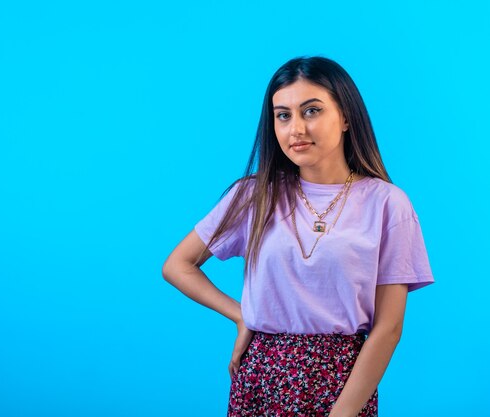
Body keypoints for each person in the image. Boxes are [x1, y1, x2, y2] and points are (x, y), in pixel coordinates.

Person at [161, 56, 435, 417]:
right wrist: (242, 315)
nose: (296, 130)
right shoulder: (253, 196)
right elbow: (178, 265)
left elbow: (389, 327)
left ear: (347, 118)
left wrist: (343, 412)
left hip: (342, 382)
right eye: (283, 115)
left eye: (311, 111)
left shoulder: (387, 203)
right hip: (261, 377)